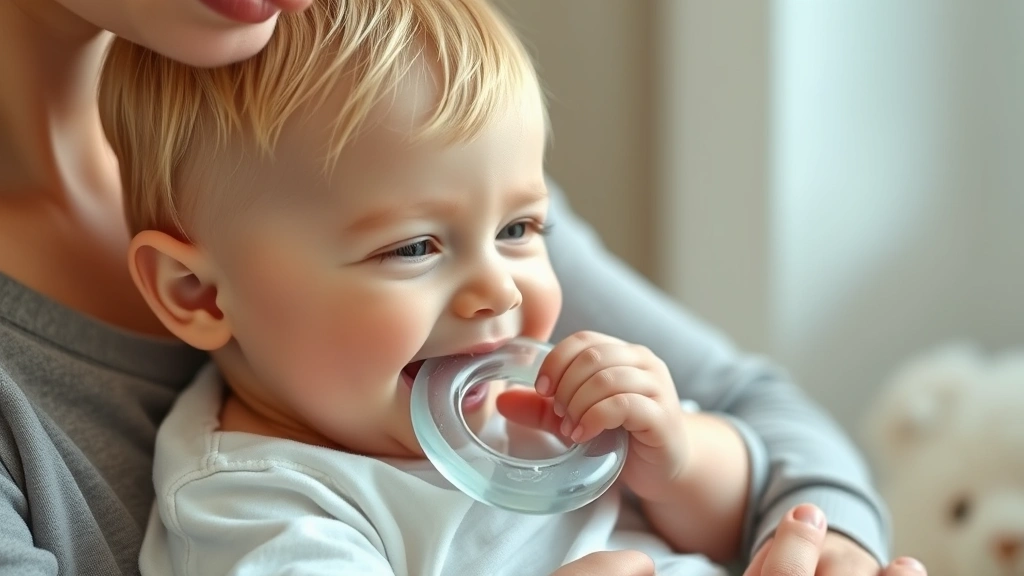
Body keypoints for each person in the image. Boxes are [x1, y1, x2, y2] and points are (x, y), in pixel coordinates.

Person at [0, 0, 925, 575]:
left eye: (525, 230)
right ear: (198, 294)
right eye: (411, 251)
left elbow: (756, 424)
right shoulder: (264, 503)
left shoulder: (410, 169)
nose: (498, 290)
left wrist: (700, 467)